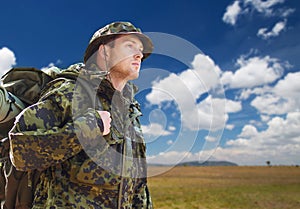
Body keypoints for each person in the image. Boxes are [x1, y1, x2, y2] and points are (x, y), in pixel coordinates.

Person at [8, 21, 154, 208]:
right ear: (104, 51)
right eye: (129, 46)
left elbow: (138, 182)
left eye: (141, 50)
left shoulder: (130, 110)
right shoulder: (69, 93)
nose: (139, 54)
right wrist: (89, 128)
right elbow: (21, 154)